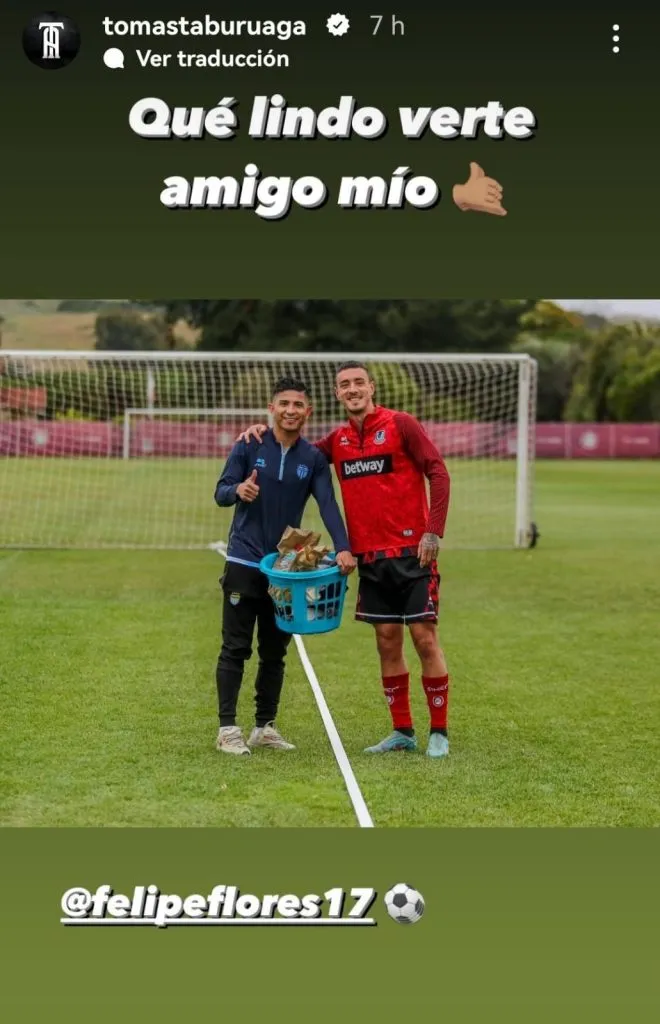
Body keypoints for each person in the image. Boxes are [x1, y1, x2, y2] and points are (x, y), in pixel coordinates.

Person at [238, 361, 452, 758]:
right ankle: (402, 731)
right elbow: (297, 450)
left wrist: (433, 531)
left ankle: (439, 731)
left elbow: (438, 472)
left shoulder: (401, 424)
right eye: (344, 385)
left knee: (425, 639)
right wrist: (262, 432)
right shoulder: (337, 442)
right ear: (337, 394)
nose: (352, 389)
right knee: (387, 642)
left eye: (358, 383)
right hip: (369, 559)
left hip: (413, 554)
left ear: (371, 387)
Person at [214, 376, 355, 756]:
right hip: (243, 561)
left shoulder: (313, 459)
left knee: (275, 651)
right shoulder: (248, 445)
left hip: (284, 569)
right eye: (284, 404)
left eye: (297, 405)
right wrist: (238, 490)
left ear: (308, 412)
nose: (290, 410)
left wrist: (344, 548)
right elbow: (220, 493)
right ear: (271, 408)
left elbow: (328, 505)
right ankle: (228, 730)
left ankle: (264, 727)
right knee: (235, 647)